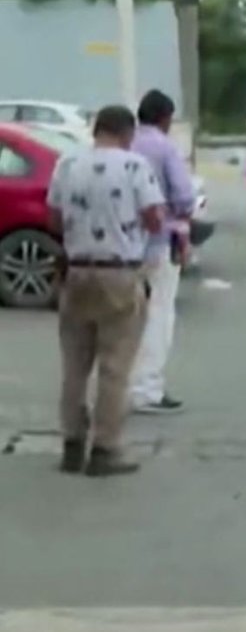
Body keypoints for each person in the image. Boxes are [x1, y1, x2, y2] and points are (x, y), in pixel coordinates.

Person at [47, 105, 165, 476]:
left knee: (75, 366)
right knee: (114, 367)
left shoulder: (67, 164)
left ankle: (71, 445)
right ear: (127, 132)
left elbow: (53, 217)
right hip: (119, 274)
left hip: (77, 272)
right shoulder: (134, 167)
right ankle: (104, 449)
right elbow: (154, 216)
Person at [128, 89, 195, 415]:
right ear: (165, 118)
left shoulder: (125, 143)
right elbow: (183, 197)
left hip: (122, 246)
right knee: (158, 316)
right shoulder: (165, 148)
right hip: (158, 243)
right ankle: (147, 389)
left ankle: (121, 384)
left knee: (125, 317)